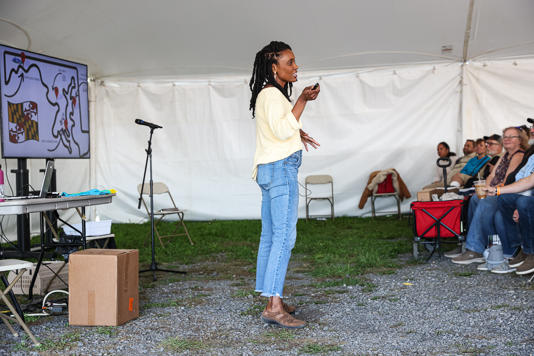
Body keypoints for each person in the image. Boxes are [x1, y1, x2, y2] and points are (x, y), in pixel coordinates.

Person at [249, 41, 320, 329]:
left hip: (270, 169)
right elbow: (280, 129)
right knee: (283, 237)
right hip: (280, 171)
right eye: (289, 62)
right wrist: (302, 99)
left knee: (270, 236)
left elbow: (276, 128)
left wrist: (297, 132)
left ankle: (271, 299)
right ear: (273, 65)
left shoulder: (269, 94)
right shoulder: (272, 94)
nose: (295, 66)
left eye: (295, 61)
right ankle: (274, 307)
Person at [451, 127, 528, 269]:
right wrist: (485, 188)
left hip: (507, 193)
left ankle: (475, 249)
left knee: (485, 201)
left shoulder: (519, 155)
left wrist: (492, 191)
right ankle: (485, 247)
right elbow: (491, 176)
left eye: (512, 137)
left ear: (520, 140)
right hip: (496, 191)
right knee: (476, 198)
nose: (507, 139)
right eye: (505, 136)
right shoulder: (505, 155)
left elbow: (508, 180)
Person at [487, 154, 534, 275]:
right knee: (504, 199)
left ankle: (531, 252)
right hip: (526, 193)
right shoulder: (532, 156)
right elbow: (521, 179)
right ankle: (521, 247)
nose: (532, 134)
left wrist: (498, 190)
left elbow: (530, 181)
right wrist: (497, 191)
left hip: (529, 196)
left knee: (523, 202)